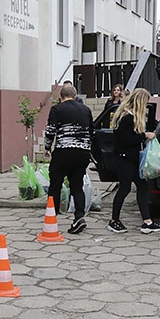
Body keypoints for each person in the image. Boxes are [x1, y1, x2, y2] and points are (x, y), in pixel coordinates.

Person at [107, 88, 160, 234]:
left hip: (130, 158)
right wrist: (145, 135)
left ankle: (147, 221)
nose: (146, 106)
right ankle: (114, 221)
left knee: (142, 187)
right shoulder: (127, 117)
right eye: (145, 103)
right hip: (124, 159)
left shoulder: (127, 115)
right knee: (125, 188)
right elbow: (126, 140)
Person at [44, 84, 94, 233]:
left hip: (63, 152)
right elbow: (91, 131)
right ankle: (79, 216)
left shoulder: (57, 109)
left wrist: (47, 147)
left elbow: (50, 130)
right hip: (82, 153)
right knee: (77, 186)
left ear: (61, 97)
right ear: (76, 95)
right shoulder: (86, 110)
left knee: (55, 185)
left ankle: (52, 216)